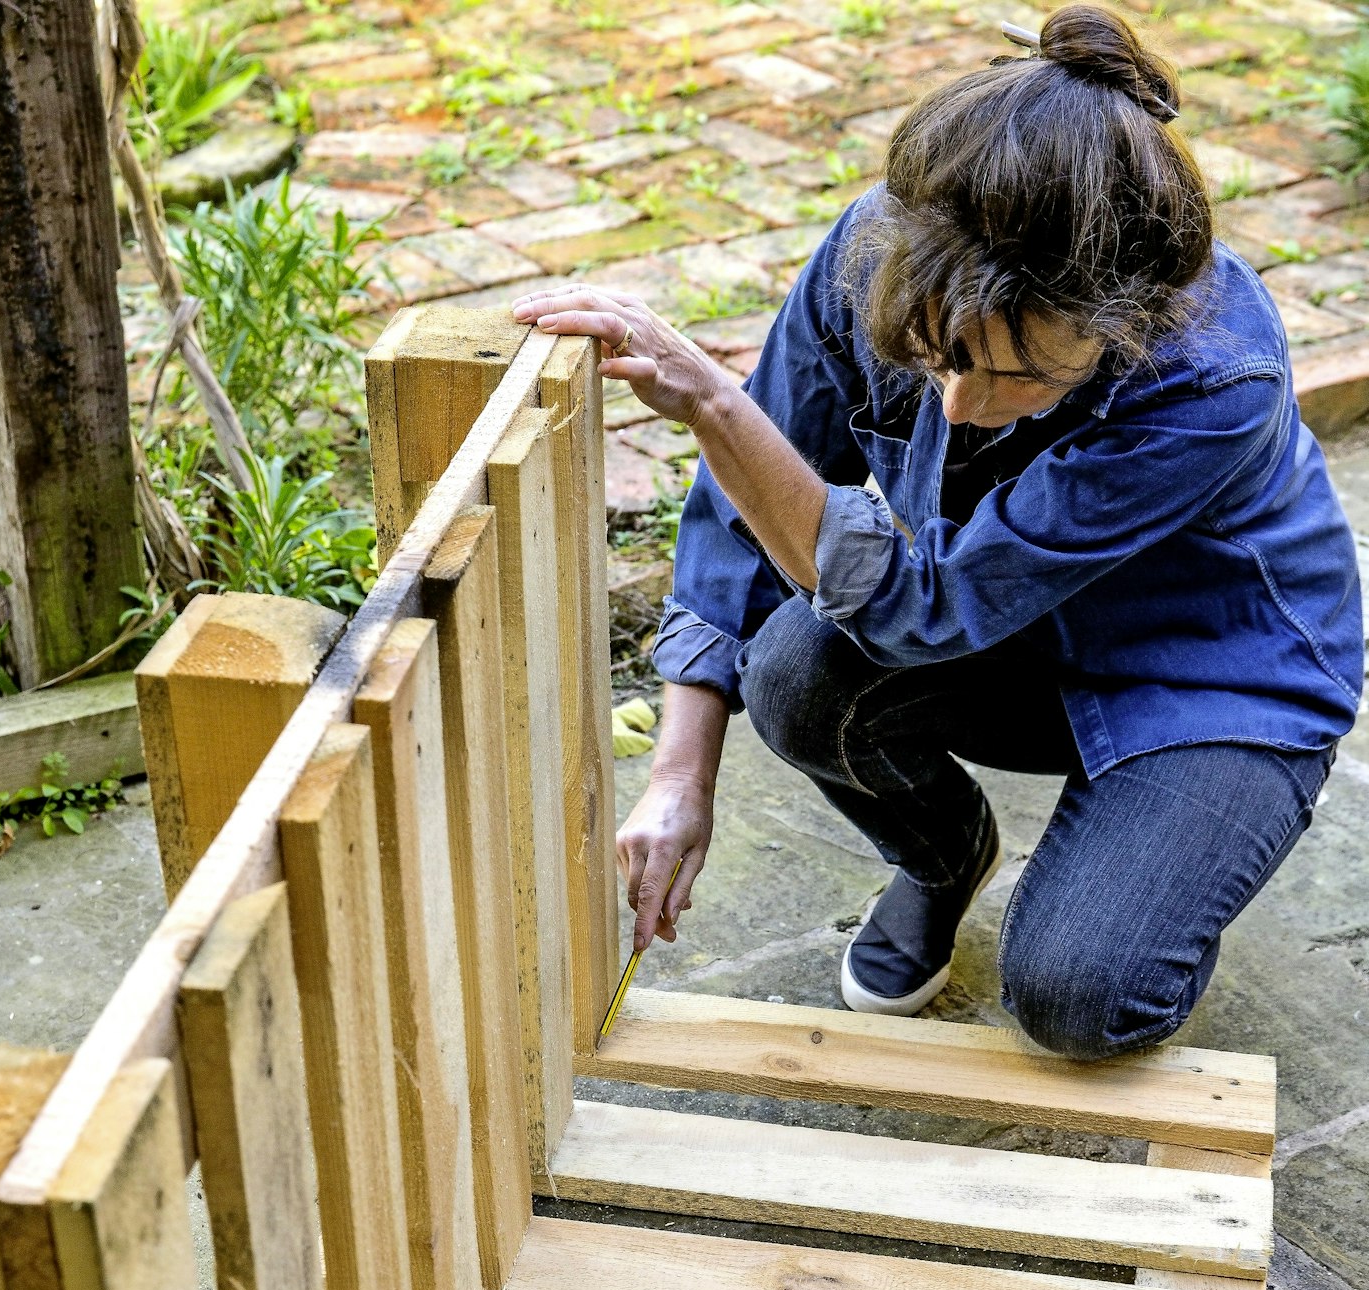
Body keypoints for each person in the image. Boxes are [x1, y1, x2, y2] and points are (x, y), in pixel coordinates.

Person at [514, 3, 1362, 1059]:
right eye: (938, 358)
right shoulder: (883, 251)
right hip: (1000, 626)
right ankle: (941, 856)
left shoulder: (1211, 375)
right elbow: (746, 519)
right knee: (796, 675)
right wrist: (680, 777)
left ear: (1122, 322)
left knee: (1080, 999)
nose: (957, 405)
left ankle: (1178, 832)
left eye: (1020, 374)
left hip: (1207, 670)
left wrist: (717, 406)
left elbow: (924, 606)